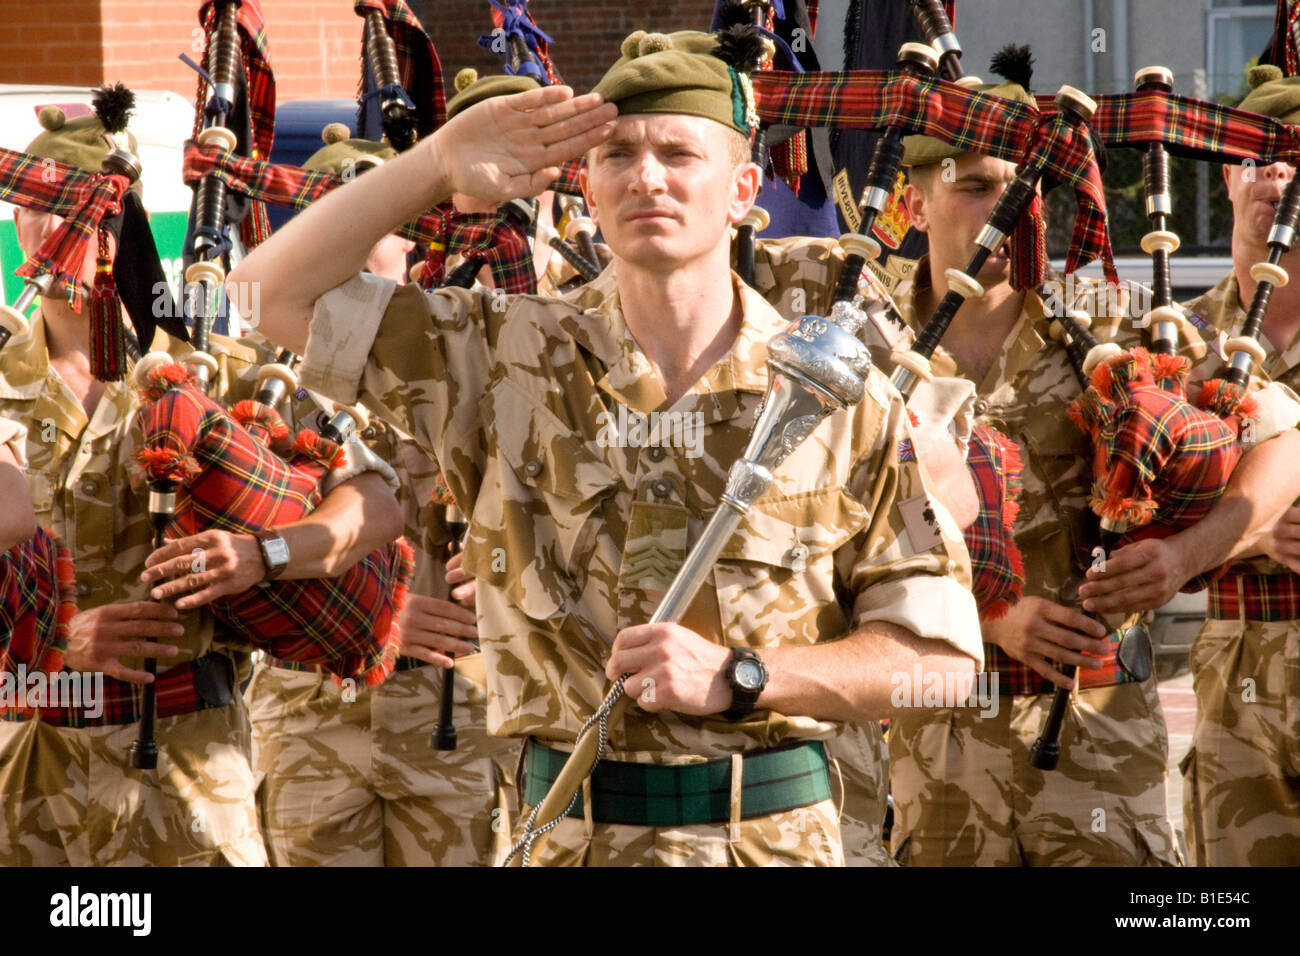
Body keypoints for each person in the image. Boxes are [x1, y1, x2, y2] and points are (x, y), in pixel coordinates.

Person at [232, 27, 984, 867]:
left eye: (677, 152)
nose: (647, 177)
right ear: (587, 189)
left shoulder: (836, 390)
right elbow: (262, 294)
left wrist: (744, 675)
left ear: (742, 190)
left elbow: (941, 662)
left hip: (777, 841)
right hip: (572, 836)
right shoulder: (498, 355)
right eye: (618, 154)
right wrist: (437, 162)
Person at [0, 92, 401, 866]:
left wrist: (268, 554)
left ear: (125, 223)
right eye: (35, 209)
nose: (53, 233)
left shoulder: (213, 370)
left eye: (77, 210)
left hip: (186, 770)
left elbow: (376, 501)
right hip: (26, 771)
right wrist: (51, 639)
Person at [244, 125, 518, 866]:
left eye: (380, 234)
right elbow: (223, 557)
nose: (359, 256)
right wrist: (382, 614)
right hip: (311, 715)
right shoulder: (248, 388)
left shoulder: (467, 368)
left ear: (408, 244)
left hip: (452, 716)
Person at [1105, 63, 1300, 866]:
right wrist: (1252, 532)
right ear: (1229, 177)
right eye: (1259, 159)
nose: (1278, 177)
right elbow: (1123, 511)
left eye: (1297, 158)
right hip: (1237, 685)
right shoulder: (1173, 346)